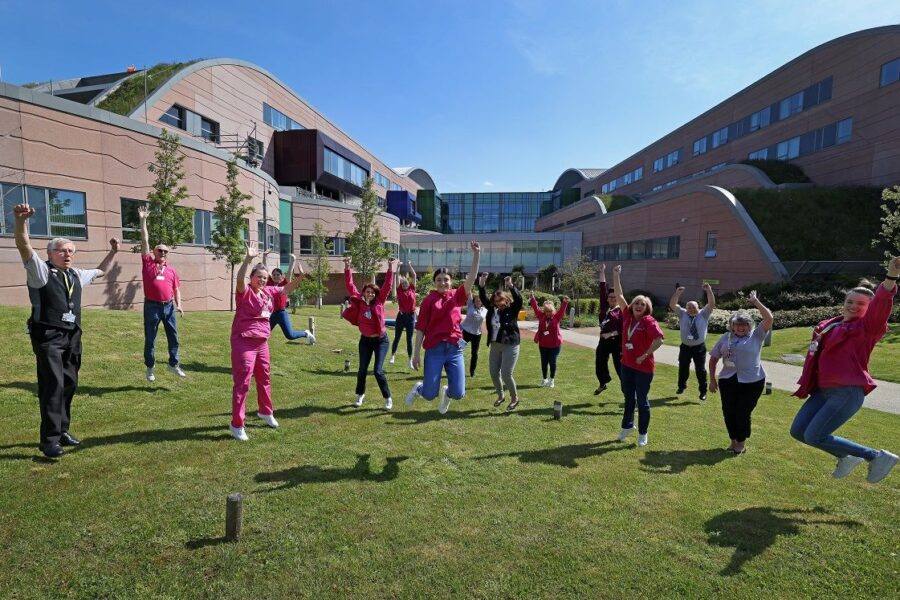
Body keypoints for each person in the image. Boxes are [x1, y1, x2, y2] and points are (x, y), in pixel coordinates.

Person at [14, 202, 119, 457]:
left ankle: (62, 430)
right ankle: (48, 441)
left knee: (69, 383)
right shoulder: (41, 272)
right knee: (53, 386)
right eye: (62, 251)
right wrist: (20, 221)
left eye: (71, 251)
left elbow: (101, 270)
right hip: (49, 335)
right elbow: (23, 246)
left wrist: (113, 251)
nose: (68, 254)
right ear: (50, 254)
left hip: (72, 335)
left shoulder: (75, 274)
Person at [790, 259, 900, 483]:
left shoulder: (867, 328)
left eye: (861, 304)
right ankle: (846, 456)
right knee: (799, 431)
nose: (853, 306)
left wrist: (890, 277)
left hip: (847, 392)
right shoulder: (830, 326)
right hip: (822, 391)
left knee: (814, 435)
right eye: (850, 301)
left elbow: (881, 303)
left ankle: (877, 456)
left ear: (868, 309)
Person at [229, 243, 305, 441]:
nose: (262, 280)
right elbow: (239, 278)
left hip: (262, 342)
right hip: (244, 341)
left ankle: (266, 411)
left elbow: (285, 289)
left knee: (265, 378)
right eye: (258, 277)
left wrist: (300, 278)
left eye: (264, 277)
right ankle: (237, 424)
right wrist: (248, 259)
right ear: (252, 278)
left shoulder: (268, 292)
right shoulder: (244, 292)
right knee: (243, 383)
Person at [405, 242, 481, 414]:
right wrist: (416, 354)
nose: (442, 282)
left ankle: (447, 394)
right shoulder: (428, 301)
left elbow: (471, 278)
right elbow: (421, 329)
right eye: (438, 280)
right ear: (434, 282)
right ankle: (419, 389)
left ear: (450, 281)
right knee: (429, 394)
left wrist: (477, 254)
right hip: (435, 349)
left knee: (459, 393)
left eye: (446, 279)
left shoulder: (457, 296)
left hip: (454, 349)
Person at [708, 291, 773, 455]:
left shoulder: (757, 335)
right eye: (737, 325)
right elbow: (713, 359)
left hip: (752, 382)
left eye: (743, 325)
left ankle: (741, 444)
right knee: (728, 412)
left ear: (749, 326)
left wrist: (756, 302)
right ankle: (733, 441)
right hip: (728, 380)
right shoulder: (725, 337)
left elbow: (769, 319)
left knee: (742, 413)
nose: (740, 327)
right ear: (731, 326)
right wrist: (712, 379)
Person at [611, 265, 664, 447]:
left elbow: (659, 340)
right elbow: (619, 296)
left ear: (646, 308)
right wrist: (616, 275)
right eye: (637, 303)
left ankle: (643, 433)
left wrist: (645, 355)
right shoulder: (627, 315)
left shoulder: (649, 321)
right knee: (628, 398)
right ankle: (627, 426)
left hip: (643, 368)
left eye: (643, 304)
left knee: (642, 400)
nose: (639, 305)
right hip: (627, 365)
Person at [137, 205, 187, 381]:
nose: (163, 253)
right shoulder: (148, 263)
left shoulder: (171, 271)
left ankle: (174, 364)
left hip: (169, 306)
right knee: (150, 339)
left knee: (173, 337)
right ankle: (150, 367)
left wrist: (179, 305)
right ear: (154, 252)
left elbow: (176, 289)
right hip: (152, 306)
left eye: (166, 251)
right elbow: (145, 240)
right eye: (160, 250)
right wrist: (143, 220)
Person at [344, 256, 396, 410]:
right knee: (362, 370)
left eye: (372, 292)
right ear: (364, 292)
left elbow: (387, 284)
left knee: (378, 371)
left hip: (381, 341)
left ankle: (387, 398)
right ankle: (360, 395)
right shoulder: (359, 301)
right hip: (365, 341)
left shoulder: (380, 301)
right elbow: (349, 284)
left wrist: (390, 268)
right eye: (368, 292)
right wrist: (348, 267)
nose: (370, 294)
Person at [480, 274, 524, 411]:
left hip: (510, 345)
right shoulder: (492, 309)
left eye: (501, 299)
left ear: (506, 299)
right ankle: (500, 396)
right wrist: (481, 284)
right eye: (496, 300)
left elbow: (518, 299)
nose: (499, 302)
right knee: (493, 373)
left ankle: (514, 398)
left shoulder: (513, 309)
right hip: (495, 345)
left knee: (506, 374)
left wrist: (510, 285)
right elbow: (482, 298)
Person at [670, 282, 716, 401]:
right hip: (685, 346)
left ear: (698, 307)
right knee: (683, 367)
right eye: (689, 307)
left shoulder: (704, 314)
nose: (691, 309)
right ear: (686, 308)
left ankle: (703, 391)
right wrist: (677, 294)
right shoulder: (682, 314)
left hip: (699, 347)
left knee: (700, 370)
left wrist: (709, 291)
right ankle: (681, 386)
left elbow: (711, 304)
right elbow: (672, 304)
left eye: (693, 307)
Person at [266, 258, 316, 344]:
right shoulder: (269, 283)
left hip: (282, 313)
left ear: (281, 276)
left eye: (278, 274)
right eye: (274, 275)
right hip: (272, 314)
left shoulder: (284, 284)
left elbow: (289, 273)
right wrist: (265, 256)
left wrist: (292, 261)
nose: (275, 276)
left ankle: (305, 333)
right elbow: (265, 270)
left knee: (290, 335)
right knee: (264, 333)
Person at [530, 291, 569, 388]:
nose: (548, 313)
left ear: (553, 311)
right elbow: (536, 308)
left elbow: (562, 311)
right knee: (544, 362)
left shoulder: (557, 317)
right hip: (543, 345)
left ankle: (552, 380)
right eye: (546, 311)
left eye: (550, 311)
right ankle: (544, 379)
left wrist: (564, 302)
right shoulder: (541, 316)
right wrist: (532, 298)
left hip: (555, 345)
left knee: (552, 361)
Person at [595, 264, 623, 395]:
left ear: (618, 298)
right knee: (600, 362)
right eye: (610, 297)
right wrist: (602, 272)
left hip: (617, 342)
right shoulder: (604, 307)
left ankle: (628, 392)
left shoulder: (622, 311)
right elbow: (602, 288)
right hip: (604, 341)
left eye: (614, 297)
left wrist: (610, 334)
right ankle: (603, 382)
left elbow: (622, 329)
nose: (612, 299)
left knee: (620, 367)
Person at [390, 261, 417, 368]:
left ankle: (410, 360)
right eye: (402, 284)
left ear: (408, 283)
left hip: (411, 316)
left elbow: (414, 275)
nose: (404, 285)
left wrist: (410, 265)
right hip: (401, 316)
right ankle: (392, 356)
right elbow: (396, 276)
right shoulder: (399, 290)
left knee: (409, 339)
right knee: (397, 337)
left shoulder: (412, 289)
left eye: (405, 283)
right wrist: (398, 266)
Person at [461, 293, 487, 377]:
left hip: (477, 334)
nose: (478, 302)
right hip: (465, 332)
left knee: (474, 353)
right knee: (458, 349)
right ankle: (456, 368)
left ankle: (472, 371)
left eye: (480, 301)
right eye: (476, 300)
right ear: (473, 301)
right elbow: (469, 294)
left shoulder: (485, 310)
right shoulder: (470, 306)